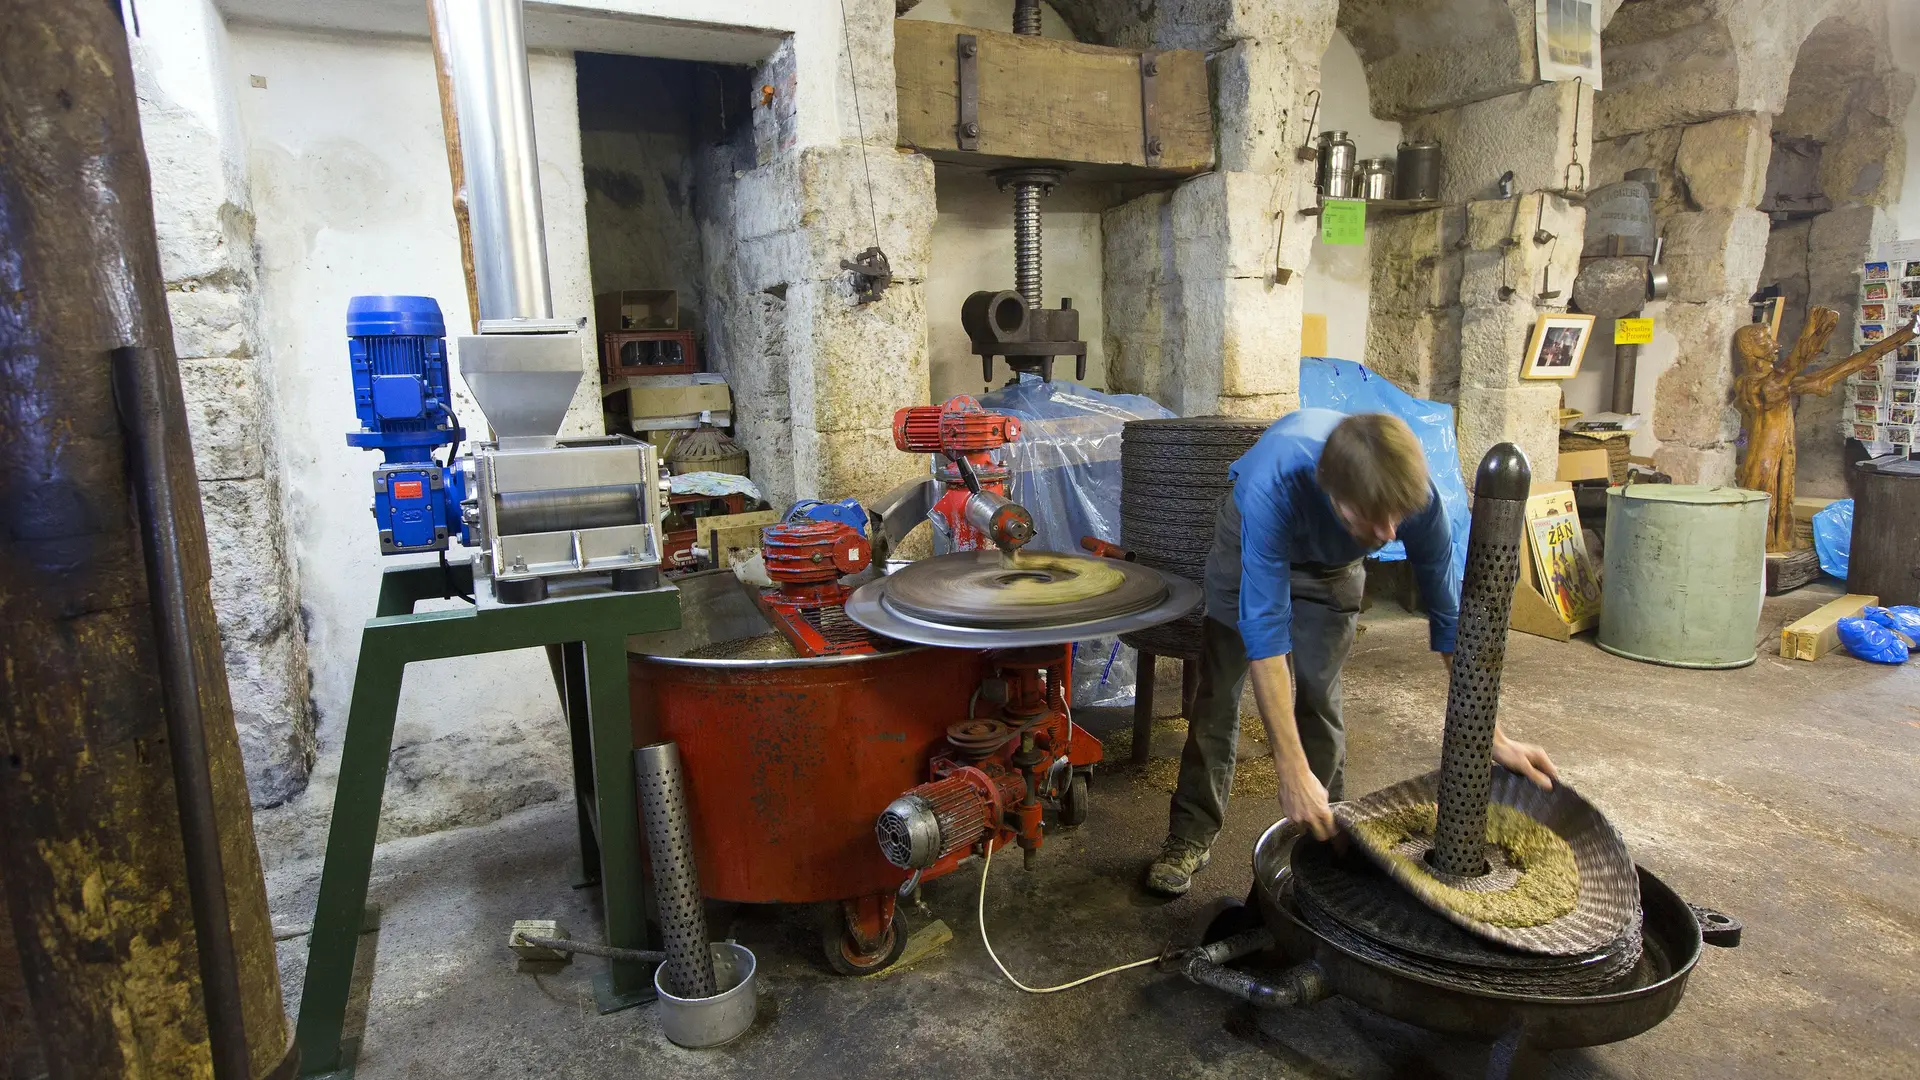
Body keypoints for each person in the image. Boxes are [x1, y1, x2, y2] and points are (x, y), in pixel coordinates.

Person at [1143, 409, 1560, 896]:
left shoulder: (1414, 500)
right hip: (1249, 545)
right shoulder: (1274, 487)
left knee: (1319, 695)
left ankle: (1324, 838)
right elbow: (1265, 637)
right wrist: (1290, 769)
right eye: (1373, 516)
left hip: (1335, 566)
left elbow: (1450, 622)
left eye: (1396, 517)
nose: (1388, 532)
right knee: (1218, 693)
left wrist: (1492, 735)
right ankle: (1190, 835)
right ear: (1332, 493)